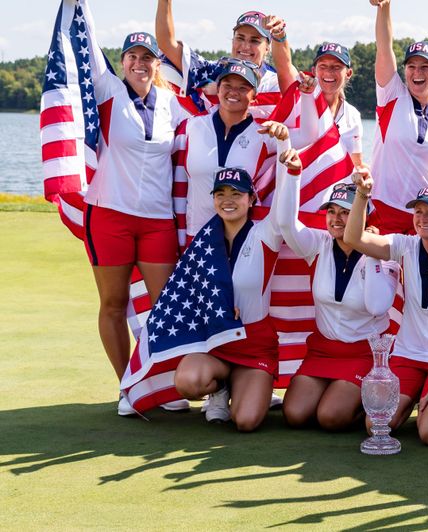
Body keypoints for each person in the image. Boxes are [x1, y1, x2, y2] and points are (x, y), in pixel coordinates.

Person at [81, 30, 192, 415]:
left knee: (164, 307)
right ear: (122, 61)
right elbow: (85, 43)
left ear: (157, 64)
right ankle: (126, 386)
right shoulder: (108, 89)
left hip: (157, 220)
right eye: (132, 57)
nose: (139, 64)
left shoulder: (172, 104)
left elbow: (210, 125)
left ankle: (161, 382)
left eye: (147, 58)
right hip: (109, 214)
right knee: (114, 303)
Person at [344, 177, 428, 445]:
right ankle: (421, 392)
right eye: (418, 211)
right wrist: (362, 194)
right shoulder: (404, 244)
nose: (423, 218)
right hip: (409, 355)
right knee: (376, 424)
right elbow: (354, 238)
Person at [173, 138, 295, 431]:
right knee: (187, 383)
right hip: (217, 341)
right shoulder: (204, 240)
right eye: (221, 193)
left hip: (254, 344)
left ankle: (248, 387)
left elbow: (286, 201)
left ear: (252, 199)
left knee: (246, 422)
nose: (228, 199)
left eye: (237, 193)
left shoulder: (267, 232)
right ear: (213, 199)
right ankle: (221, 387)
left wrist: (284, 148)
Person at [275, 179, 400, 430]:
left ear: (363, 215)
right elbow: (286, 224)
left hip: (364, 352)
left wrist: (372, 252)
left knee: (331, 417)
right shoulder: (319, 243)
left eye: (346, 212)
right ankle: (342, 392)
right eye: (331, 211)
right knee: (295, 414)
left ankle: (373, 398)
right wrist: (292, 173)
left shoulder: (383, 250)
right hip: (324, 350)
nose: (336, 219)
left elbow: (377, 306)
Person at [177, 62, 315, 240]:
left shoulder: (263, 134)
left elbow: (308, 134)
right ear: (218, 89)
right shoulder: (190, 126)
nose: (234, 92)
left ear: (254, 96)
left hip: (241, 241)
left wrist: (307, 94)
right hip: (196, 238)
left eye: (243, 88)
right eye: (227, 85)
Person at [368, 0, 428, 235]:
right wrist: (384, 7)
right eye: (411, 66)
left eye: (425, 67)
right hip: (382, 211)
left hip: (425, 215)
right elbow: (384, 46)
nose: (417, 72)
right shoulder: (391, 95)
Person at [155, 3, 291, 120]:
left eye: (254, 40)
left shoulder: (275, 82)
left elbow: (287, 72)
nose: (245, 46)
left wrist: (222, 92)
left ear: (267, 48)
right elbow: (167, 43)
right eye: (240, 38)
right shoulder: (214, 70)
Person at [271, 42, 365, 166]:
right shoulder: (299, 101)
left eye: (336, 67)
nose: (328, 72)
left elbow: (356, 164)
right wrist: (279, 36)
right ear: (314, 71)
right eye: (323, 66)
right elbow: (284, 66)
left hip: (336, 185)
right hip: (299, 182)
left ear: (348, 73)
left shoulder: (353, 115)